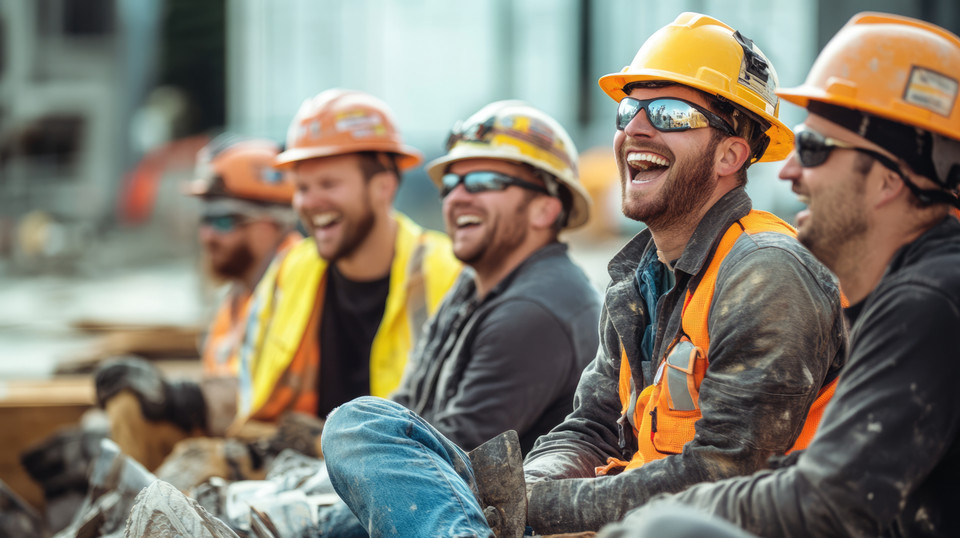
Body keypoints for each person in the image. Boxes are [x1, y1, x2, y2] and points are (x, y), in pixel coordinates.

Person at [321, 12, 847, 536]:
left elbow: (726, 477)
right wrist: (523, 489)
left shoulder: (766, 272)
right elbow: (591, 429)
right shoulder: (640, 281)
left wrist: (536, 507)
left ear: (731, 153)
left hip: (692, 528)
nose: (635, 129)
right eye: (628, 110)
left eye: (668, 113)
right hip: (619, 522)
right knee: (364, 427)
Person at [597, 12, 960, 538]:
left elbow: (826, 500)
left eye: (813, 150)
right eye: (629, 110)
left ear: (888, 178)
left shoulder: (929, 299)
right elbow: (819, 476)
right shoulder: (918, 289)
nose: (787, 171)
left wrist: (648, 521)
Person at [235, 89, 462, 426]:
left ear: (383, 187)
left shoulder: (448, 272)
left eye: (328, 184)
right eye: (301, 188)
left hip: (406, 470)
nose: (309, 203)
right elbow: (251, 392)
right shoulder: (289, 270)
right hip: (288, 465)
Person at [94, 135, 301, 471]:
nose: (206, 235)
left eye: (222, 221)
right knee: (128, 407)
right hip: (228, 439)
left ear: (269, 223)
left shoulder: (299, 284)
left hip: (277, 454)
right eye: (204, 220)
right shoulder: (236, 298)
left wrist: (183, 398)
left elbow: (276, 397)